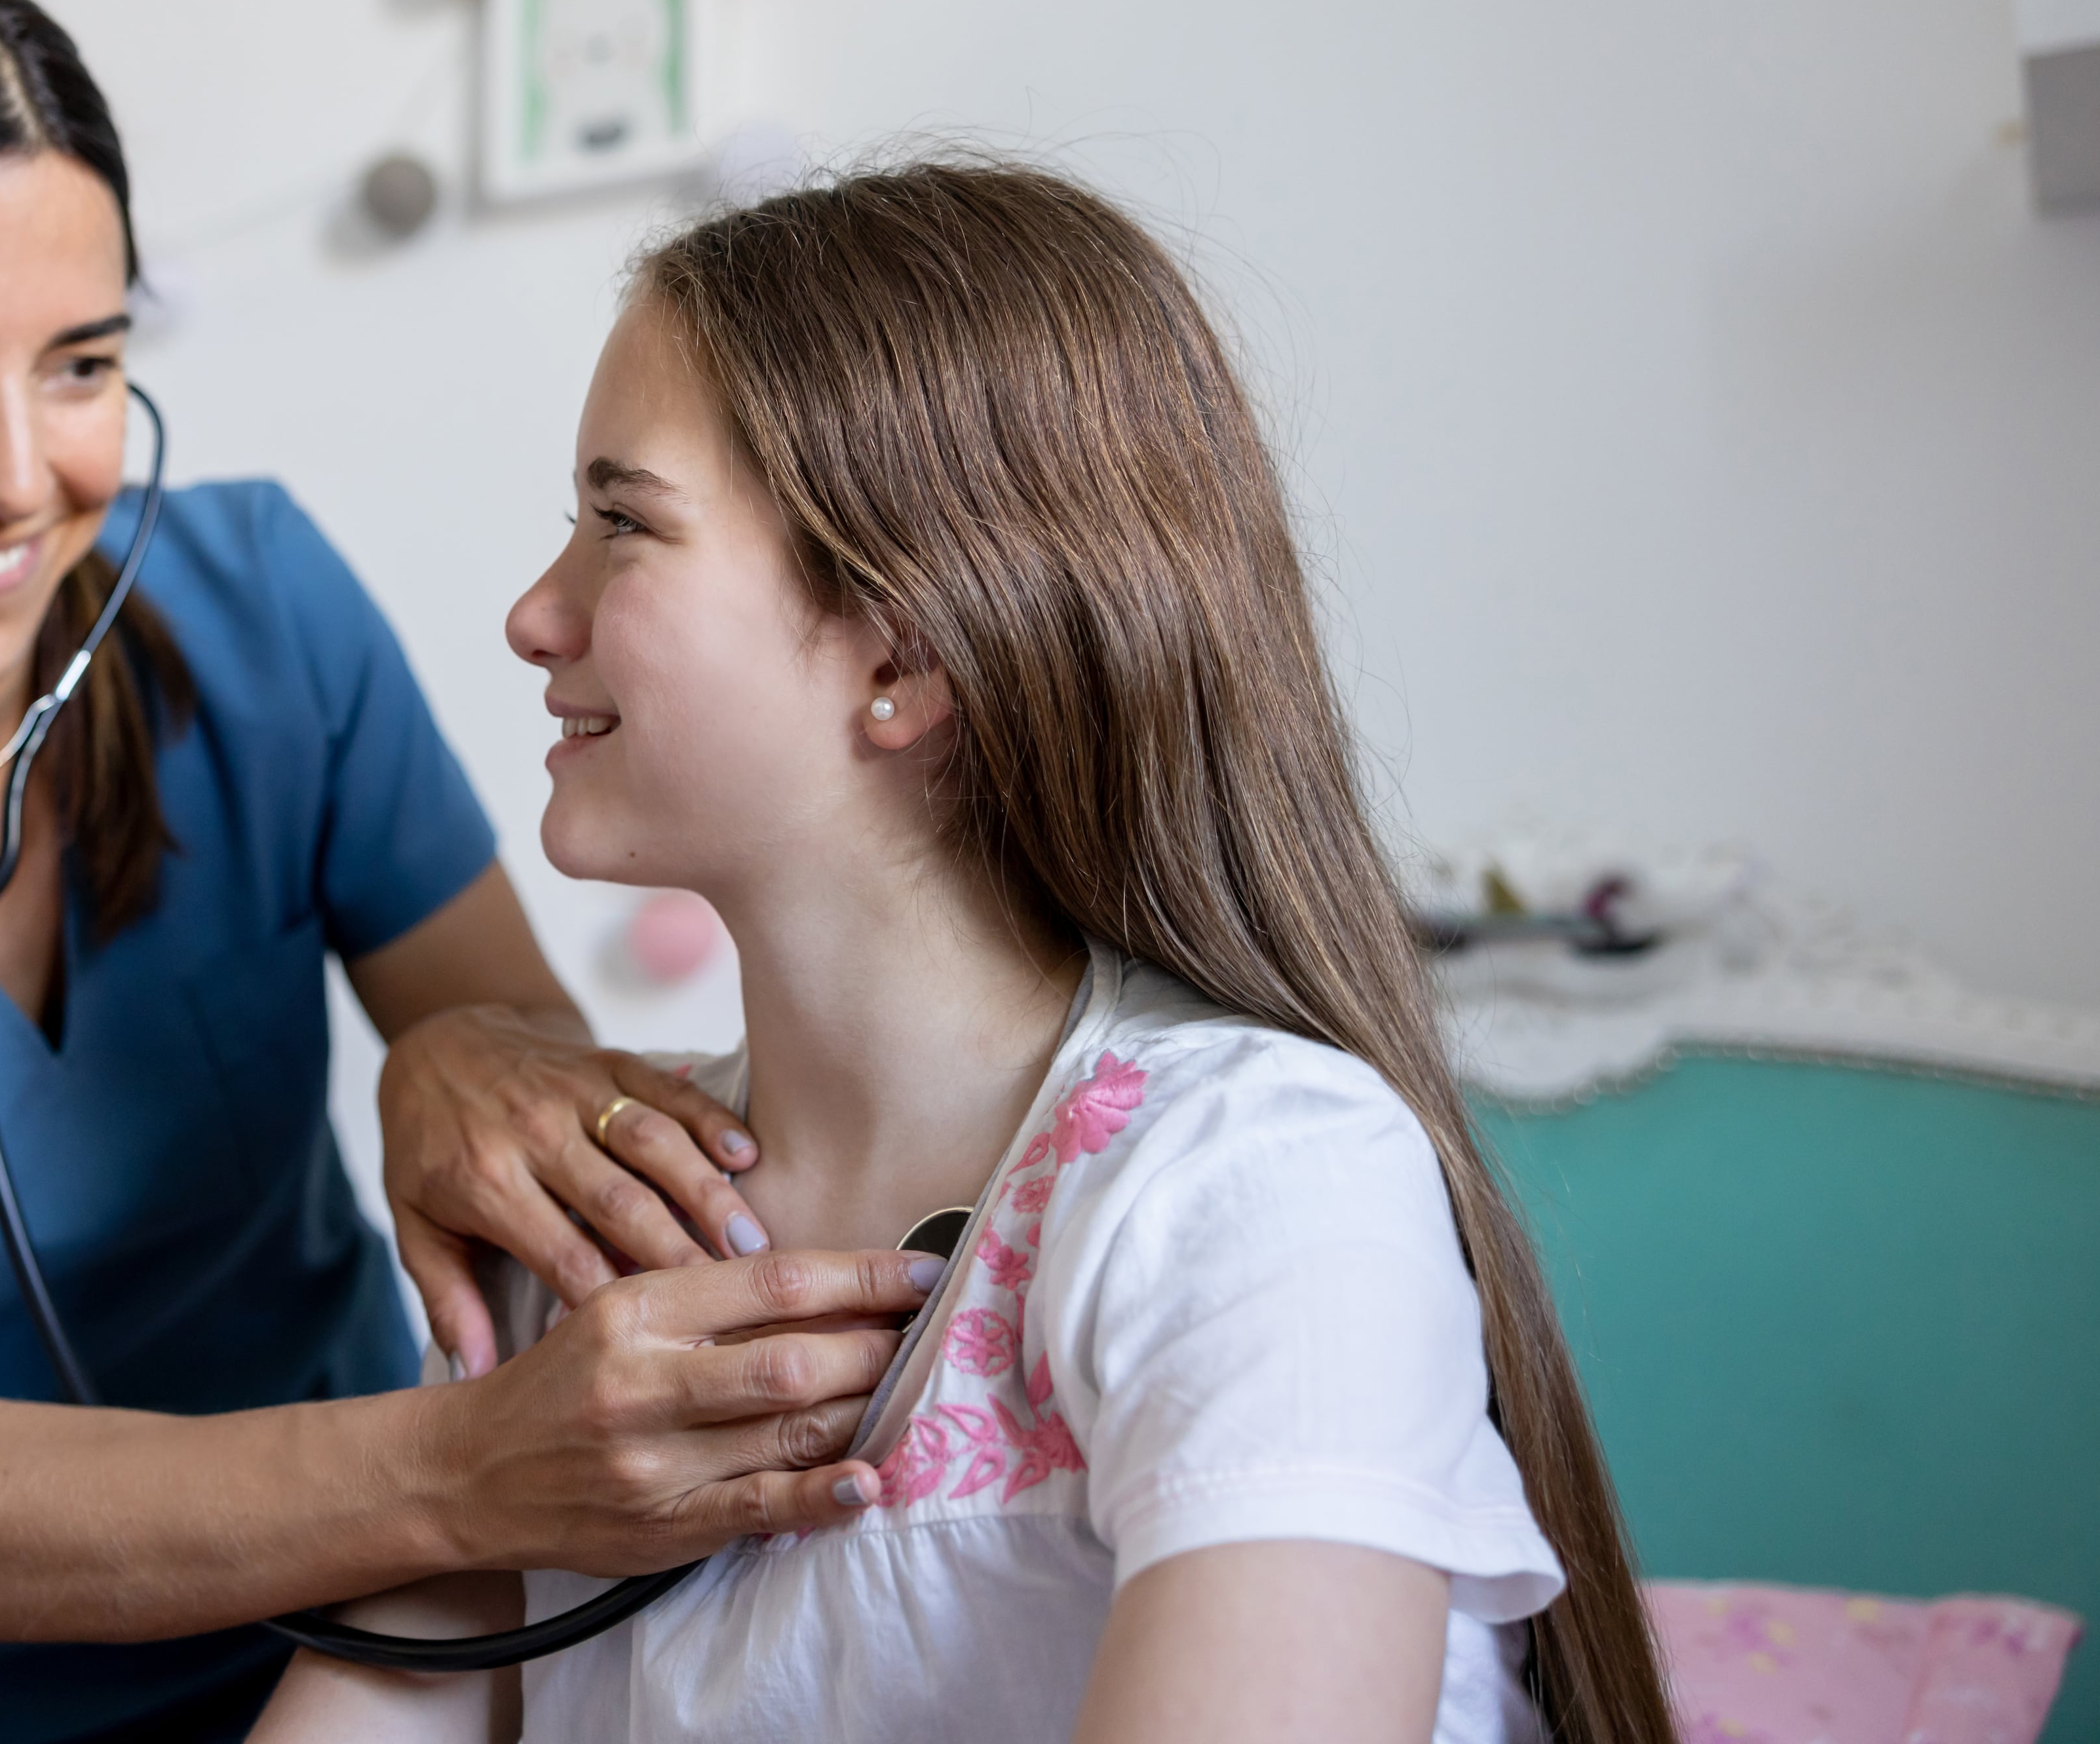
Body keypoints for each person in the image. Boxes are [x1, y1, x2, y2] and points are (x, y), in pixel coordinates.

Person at [0, 0, 942, 1742]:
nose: (18, 476)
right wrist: (472, 1471)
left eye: (80, 362)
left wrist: (458, 1060)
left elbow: (555, 1104)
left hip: (363, 1656)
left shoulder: (260, 610)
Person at [249, 160, 1678, 1744]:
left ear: (903, 655)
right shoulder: (597, 1225)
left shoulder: (1253, 1183)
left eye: (620, 525)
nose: (534, 612)